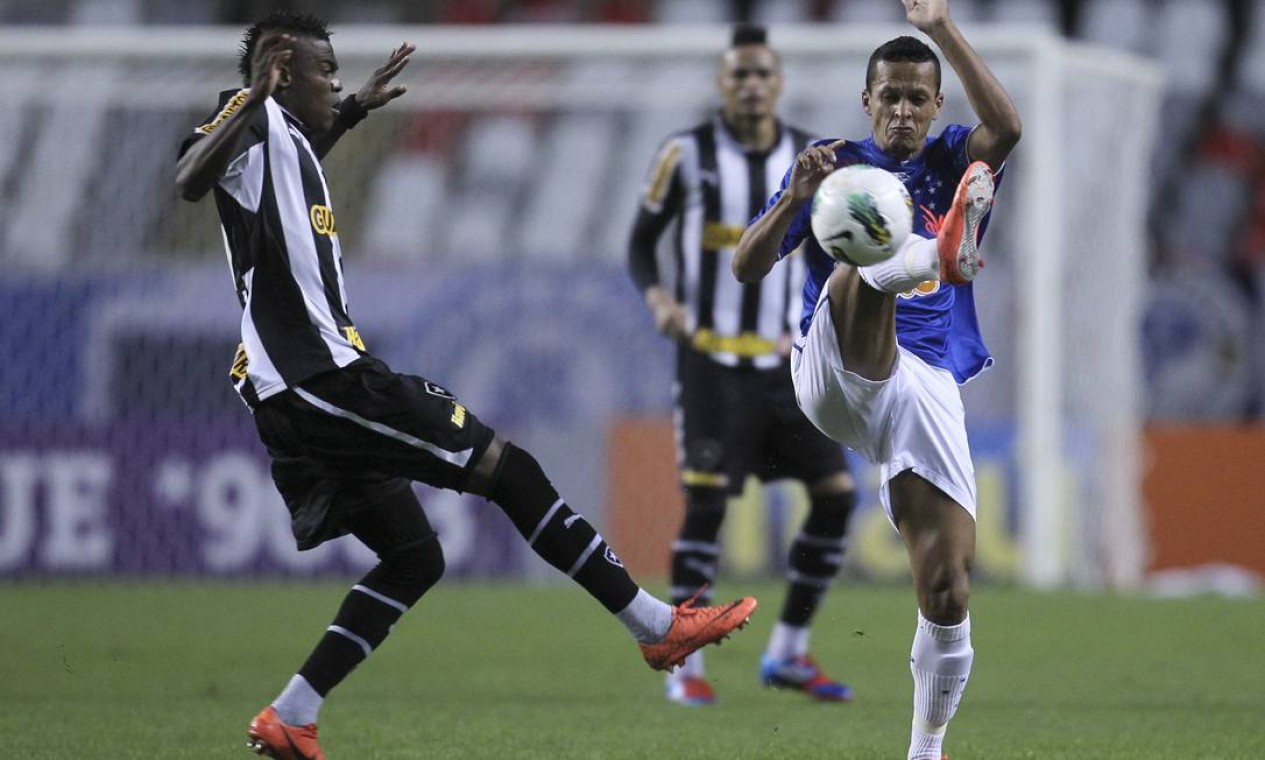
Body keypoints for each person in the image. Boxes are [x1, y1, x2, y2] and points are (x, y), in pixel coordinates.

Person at [175, 13, 757, 759]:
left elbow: (281, 162)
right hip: (319, 377)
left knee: (414, 556)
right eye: (327, 72)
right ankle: (654, 626)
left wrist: (350, 113)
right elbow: (191, 178)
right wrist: (253, 94)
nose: (337, 82)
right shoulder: (245, 115)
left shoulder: (276, 143)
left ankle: (292, 716)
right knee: (508, 469)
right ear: (281, 71)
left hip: (301, 386)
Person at [732, 1, 1021, 758]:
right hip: (833, 369)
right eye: (887, 95)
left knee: (948, 590)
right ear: (866, 102)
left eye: (915, 97)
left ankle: (924, 752)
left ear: (934, 106)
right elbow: (744, 265)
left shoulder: (956, 156)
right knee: (862, 245)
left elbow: (1009, 130)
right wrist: (794, 199)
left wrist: (942, 29)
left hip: (922, 388)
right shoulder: (833, 173)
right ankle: (931, 255)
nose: (900, 109)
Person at [627, 24, 858, 707]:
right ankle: (686, 665)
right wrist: (659, 297)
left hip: (788, 365)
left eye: (761, 73)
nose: (751, 85)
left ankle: (787, 650)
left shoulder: (813, 160)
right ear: (721, 84)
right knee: (706, 505)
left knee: (836, 498)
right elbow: (641, 246)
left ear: (778, 82)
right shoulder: (684, 154)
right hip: (709, 361)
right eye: (738, 75)